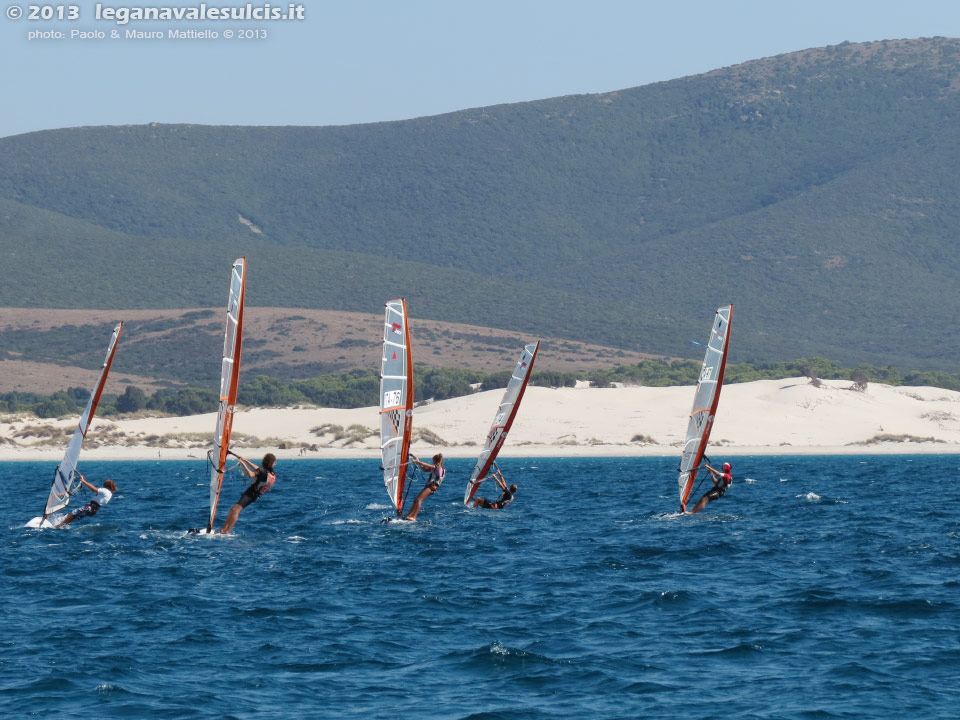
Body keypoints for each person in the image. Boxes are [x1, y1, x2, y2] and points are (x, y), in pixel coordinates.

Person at [219, 452, 276, 534]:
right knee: (232, 510)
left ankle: (226, 531)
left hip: (250, 494)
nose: (275, 464)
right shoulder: (270, 472)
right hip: (254, 495)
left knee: (235, 510)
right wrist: (245, 460)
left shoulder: (263, 471)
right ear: (271, 463)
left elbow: (250, 474)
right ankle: (223, 530)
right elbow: (257, 468)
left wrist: (243, 464)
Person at [402, 453, 445, 521]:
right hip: (429, 486)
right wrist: (418, 462)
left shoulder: (438, 468)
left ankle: (414, 517)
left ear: (436, 461)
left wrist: (418, 461)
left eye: (433, 461)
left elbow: (427, 465)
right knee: (416, 500)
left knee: (419, 500)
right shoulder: (435, 468)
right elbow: (424, 469)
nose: (432, 462)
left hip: (431, 487)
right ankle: (408, 515)